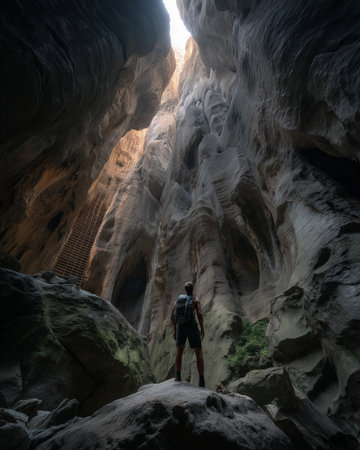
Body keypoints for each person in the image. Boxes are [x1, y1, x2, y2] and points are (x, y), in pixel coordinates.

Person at [171, 281, 205, 387]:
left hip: (181, 326)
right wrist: (202, 328)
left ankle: (178, 376)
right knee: (198, 351)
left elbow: (172, 316)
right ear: (192, 289)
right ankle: (201, 380)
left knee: (179, 350)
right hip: (191, 325)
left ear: (185, 290)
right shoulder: (195, 299)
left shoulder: (178, 300)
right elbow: (199, 313)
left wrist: (175, 329)